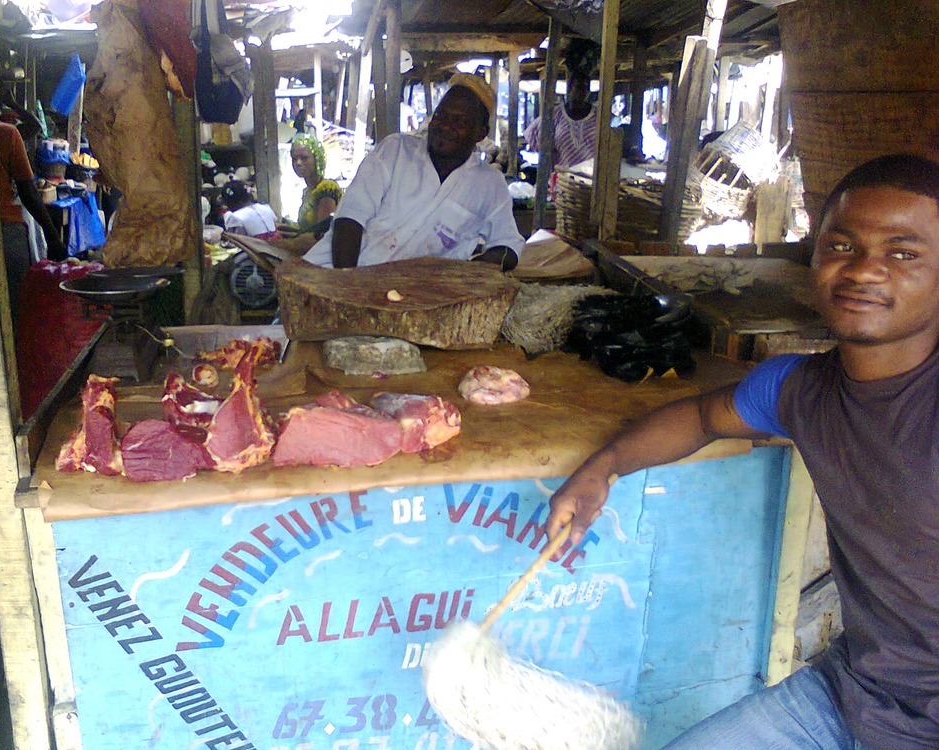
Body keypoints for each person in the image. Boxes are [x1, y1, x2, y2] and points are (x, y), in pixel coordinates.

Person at [546, 153, 939, 749]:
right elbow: (703, 416)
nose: (864, 271)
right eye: (841, 246)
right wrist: (603, 468)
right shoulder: (801, 390)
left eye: (903, 253)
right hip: (854, 694)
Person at [304, 73, 524, 270]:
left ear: (481, 133)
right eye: (441, 116)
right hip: (331, 274)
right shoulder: (395, 151)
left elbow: (508, 247)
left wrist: (461, 275)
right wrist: (347, 283)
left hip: (409, 297)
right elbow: (350, 218)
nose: (445, 126)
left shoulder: (489, 184)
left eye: (458, 121)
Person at [0, 67, 67, 318]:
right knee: (15, 307)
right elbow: (28, 192)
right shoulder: (5, 133)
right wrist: (52, 236)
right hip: (6, 228)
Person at [523, 37, 600, 170]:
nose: (583, 91)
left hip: (590, 181)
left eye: (586, 88)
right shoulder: (556, 114)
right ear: (570, 89)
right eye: (579, 87)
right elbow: (532, 133)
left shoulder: (597, 115)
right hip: (562, 180)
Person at [273, 133, 342, 255]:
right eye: (294, 158)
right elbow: (308, 228)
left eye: (304, 158)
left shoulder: (326, 190)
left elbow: (322, 235)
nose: (298, 163)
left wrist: (295, 239)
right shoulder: (308, 191)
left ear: (317, 158)